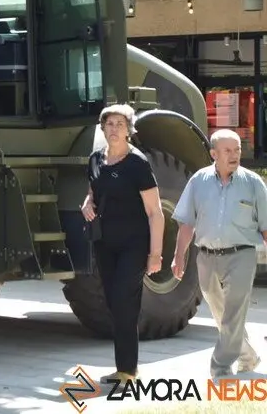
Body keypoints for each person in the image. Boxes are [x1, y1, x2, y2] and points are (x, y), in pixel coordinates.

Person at [170, 128, 267, 377]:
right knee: (220, 312)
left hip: (241, 254)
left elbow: (266, 226)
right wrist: (179, 256)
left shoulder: (253, 183)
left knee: (234, 310)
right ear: (214, 153)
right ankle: (248, 356)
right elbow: (187, 223)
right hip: (206, 256)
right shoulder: (198, 181)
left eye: (237, 150)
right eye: (227, 150)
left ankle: (221, 367)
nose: (234, 155)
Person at [81, 103, 165, 384]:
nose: (114, 129)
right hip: (105, 242)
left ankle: (128, 371)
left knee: (123, 301)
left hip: (134, 243)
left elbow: (155, 212)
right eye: (109, 124)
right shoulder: (95, 159)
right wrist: (87, 203)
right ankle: (123, 369)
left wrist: (156, 254)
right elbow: (93, 190)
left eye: (120, 124)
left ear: (129, 130)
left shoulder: (137, 163)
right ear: (102, 128)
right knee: (114, 304)